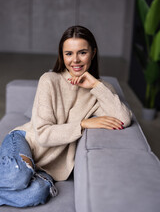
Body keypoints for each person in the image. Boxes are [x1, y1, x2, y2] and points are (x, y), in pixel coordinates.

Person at [0, 25, 132, 207]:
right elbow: (43, 135)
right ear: (62, 55)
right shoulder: (50, 80)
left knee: (37, 192)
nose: (75, 60)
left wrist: (96, 86)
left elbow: (124, 118)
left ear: (93, 53)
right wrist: (83, 124)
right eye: (68, 53)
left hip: (45, 169)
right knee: (18, 176)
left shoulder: (100, 90)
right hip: (25, 142)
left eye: (82, 52)